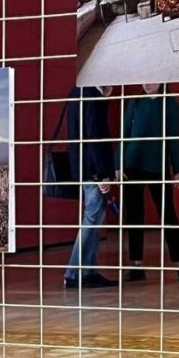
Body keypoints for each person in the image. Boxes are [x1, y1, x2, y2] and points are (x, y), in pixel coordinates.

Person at [118, 83, 179, 283]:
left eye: (152, 79)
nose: (147, 84)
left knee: (167, 213)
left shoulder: (170, 104)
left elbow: (173, 137)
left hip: (157, 165)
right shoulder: (135, 102)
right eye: (144, 79)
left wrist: (177, 168)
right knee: (134, 215)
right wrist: (118, 164)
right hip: (132, 165)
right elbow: (124, 134)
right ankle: (136, 265)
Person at [63, 85, 118, 289]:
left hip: (82, 167)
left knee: (94, 219)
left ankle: (87, 272)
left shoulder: (75, 92)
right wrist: (103, 173)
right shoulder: (92, 95)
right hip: (93, 169)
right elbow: (96, 136)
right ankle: (74, 273)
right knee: (92, 218)